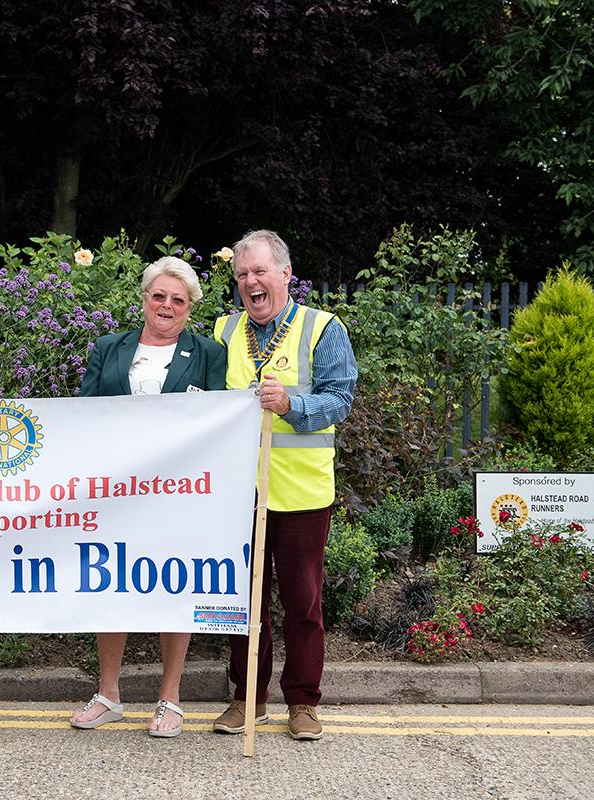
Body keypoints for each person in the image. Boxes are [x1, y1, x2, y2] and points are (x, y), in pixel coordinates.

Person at [69, 256, 227, 738]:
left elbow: (217, 422)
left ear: (190, 308)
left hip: (177, 493)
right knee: (110, 580)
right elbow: (84, 416)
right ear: (144, 299)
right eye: (159, 295)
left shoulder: (208, 353)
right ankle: (109, 694)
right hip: (114, 491)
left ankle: (171, 698)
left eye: (178, 300)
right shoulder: (107, 348)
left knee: (174, 585)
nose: (167, 305)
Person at [211, 229, 356, 741]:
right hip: (238, 495)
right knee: (243, 604)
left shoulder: (323, 330)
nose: (250, 282)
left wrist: (293, 406)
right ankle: (247, 697)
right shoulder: (224, 332)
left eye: (260, 272)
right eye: (242, 274)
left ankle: (303, 702)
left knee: (302, 603)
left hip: (301, 495)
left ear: (286, 275)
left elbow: (340, 400)